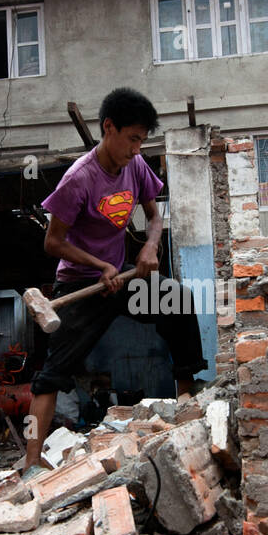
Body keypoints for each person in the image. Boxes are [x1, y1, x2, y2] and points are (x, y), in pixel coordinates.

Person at [21, 88, 206, 474]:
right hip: (82, 288)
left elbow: (155, 218)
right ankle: (32, 462)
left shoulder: (135, 167)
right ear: (109, 128)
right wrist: (98, 264)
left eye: (142, 140)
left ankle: (189, 415)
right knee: (52, 374)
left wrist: (150, 248)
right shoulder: (79, 180)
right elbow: (52, 242)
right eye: (133, 139)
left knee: (179, 303)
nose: (138, 149)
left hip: (122, 281)